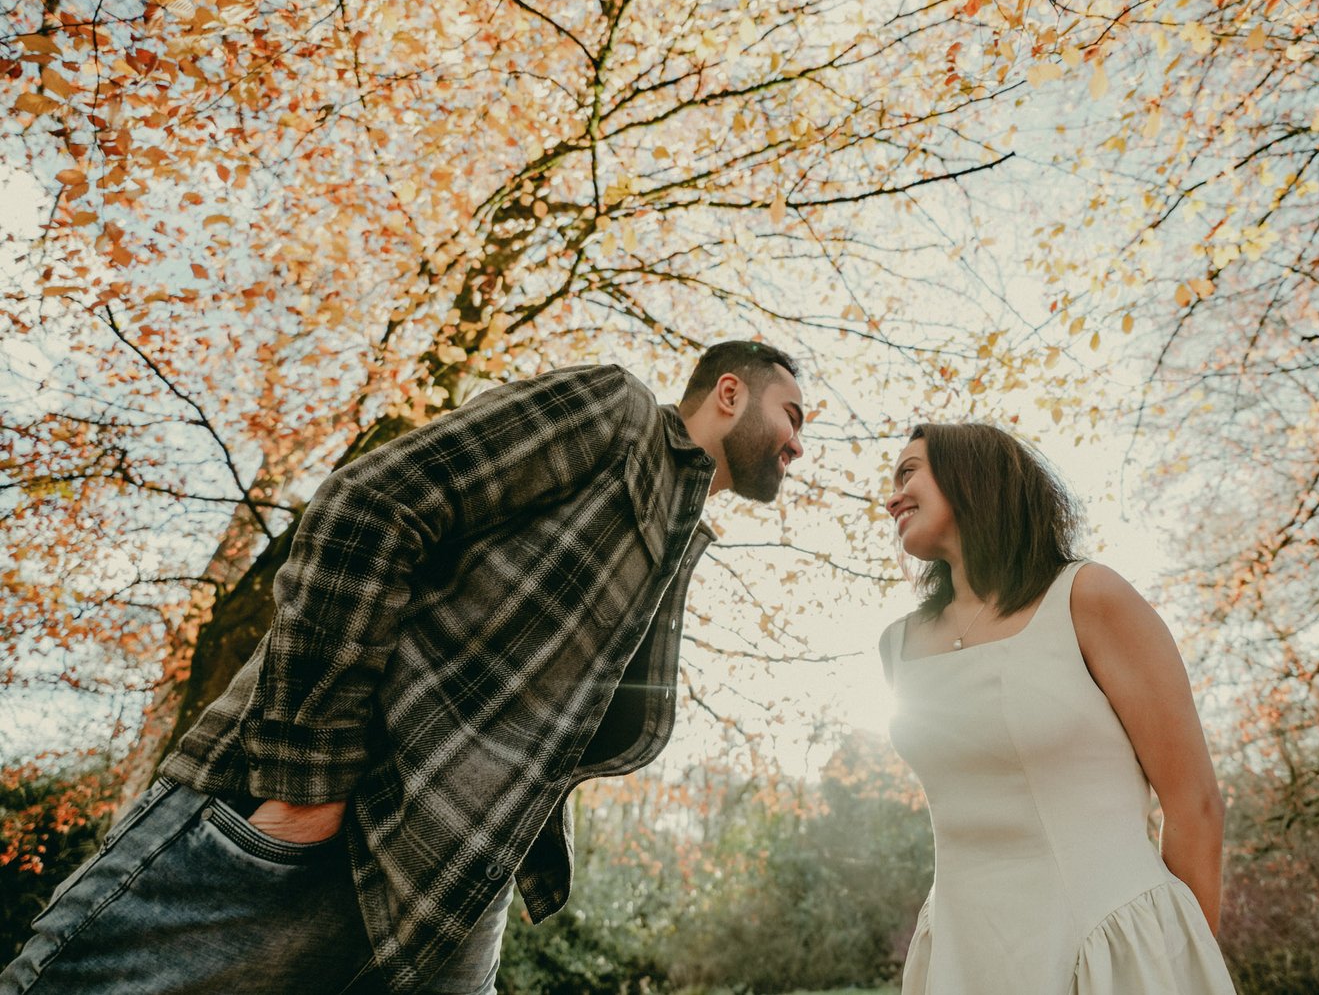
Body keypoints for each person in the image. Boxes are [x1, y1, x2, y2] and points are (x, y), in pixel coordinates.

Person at [2, 342, 806, 995]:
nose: (799, 444)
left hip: (447, 903)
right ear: (729, 392)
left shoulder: (674, 537)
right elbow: (370, 508)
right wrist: (306, 786)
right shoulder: (615, 412)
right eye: (792, 414)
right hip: (313, 832)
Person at [879, 422, 1236, 993]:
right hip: (964, 959)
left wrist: (1179, 966)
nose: (892, 497)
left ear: (971, 475)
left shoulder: (1089, 596)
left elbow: (1195, 805)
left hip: (1112, 954)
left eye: (908, 473)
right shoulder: (897, 646)